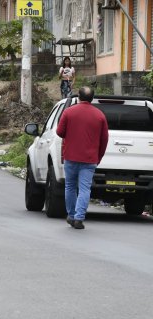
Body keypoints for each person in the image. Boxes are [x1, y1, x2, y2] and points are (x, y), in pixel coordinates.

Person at [56, 86, 108, 230]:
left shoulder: (69, 112)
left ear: (78, 97)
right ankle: (79, 218)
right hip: (90, 159)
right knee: (85, 189)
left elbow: (60, 132)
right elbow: (104, 140)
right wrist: (98, 157)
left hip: (71, 156)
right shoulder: (99, 115)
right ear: (92, 98)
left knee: (70, 186)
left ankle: (71, 215)